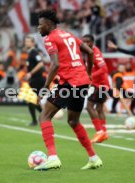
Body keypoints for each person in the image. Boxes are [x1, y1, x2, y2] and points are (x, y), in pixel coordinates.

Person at [34, 10, 102, 171]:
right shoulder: (69, 35)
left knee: (44, 116)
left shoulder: (50, 39)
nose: (38, 28)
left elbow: (55, 64)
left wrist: (45, 88)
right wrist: (89, 72)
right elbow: (90, 52)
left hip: (70, 83)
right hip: (83, 82)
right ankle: (93, 157)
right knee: (73, 121)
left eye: (40, 25)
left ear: (49, 24)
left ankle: (52, 157)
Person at [82, 34, 110, 143]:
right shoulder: (87, 53)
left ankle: (99, 132)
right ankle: (104, 132)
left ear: (92, 42)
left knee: (89, 107)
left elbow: (104, 69)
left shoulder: (95, 53)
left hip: (101, 85)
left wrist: (90, 77)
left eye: (87, 42)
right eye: (83, 42)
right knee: (99, 108)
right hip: (100, 84)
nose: (85, 44)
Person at [23, 36, 46, 126]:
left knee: (30, 99)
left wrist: (30, 73)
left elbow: (40, 64)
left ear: (33, 43)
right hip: (34, 79)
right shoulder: (30, 53)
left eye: (28, 41)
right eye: (26, 41)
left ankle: (42, 116)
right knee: (31, 100)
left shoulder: (34, 52)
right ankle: (41, 117)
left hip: (37, 79)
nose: (26, 43)